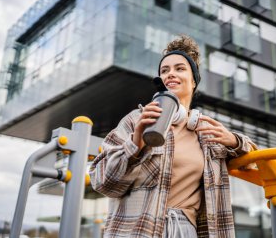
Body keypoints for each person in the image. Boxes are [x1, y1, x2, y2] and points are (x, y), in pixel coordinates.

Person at [90, 34, 257, 238]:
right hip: (136, 232)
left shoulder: (207, 132)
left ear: (194, 80)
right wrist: (135, 143)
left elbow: (254, 161)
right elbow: (102, 183)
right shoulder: (137, 120)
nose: (170, 74)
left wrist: (234, 141)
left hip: (186, 231)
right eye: (164, 70)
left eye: (179, 68)